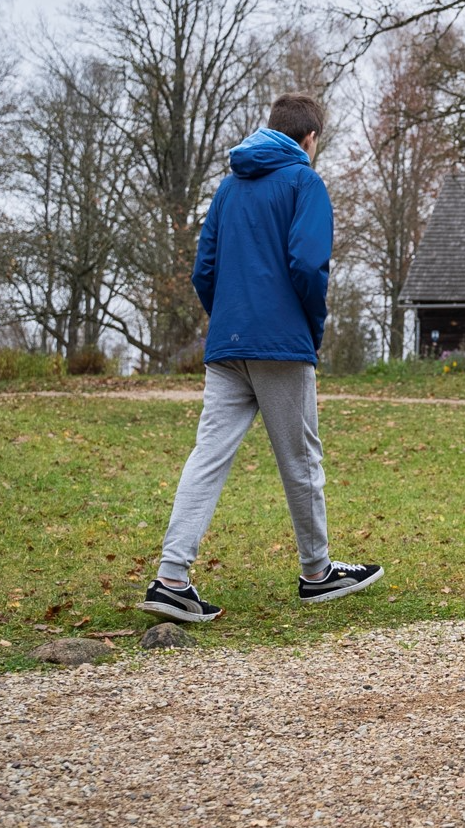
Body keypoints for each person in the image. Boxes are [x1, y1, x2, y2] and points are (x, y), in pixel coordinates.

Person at [139, 93, 382, 624]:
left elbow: (205, 268)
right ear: (311, 138)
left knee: (208, 457)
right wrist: (309, 328)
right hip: (280, 345)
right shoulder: (304, 182)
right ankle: (317, 573)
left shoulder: (228, 186)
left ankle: (171, 578)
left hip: (227, 344)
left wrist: (229, 318)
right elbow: (309, 263)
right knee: (300, 460)